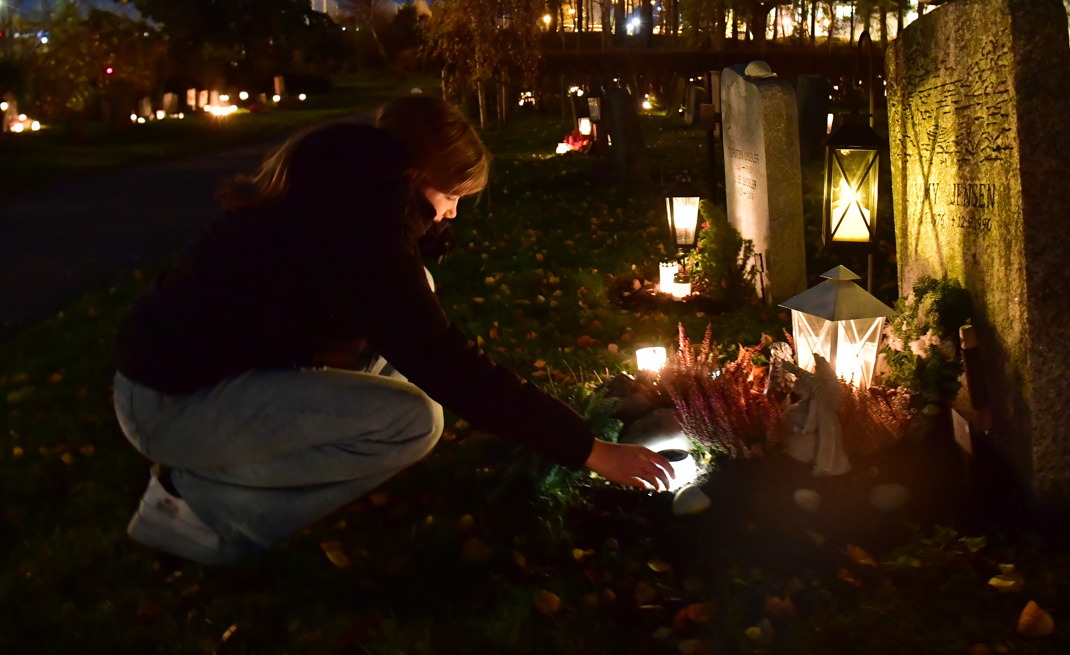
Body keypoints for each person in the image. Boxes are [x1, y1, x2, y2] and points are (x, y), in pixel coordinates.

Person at [112, 95, 673, 564]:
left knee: (417, 314)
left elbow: (409, 324)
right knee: (409, 421)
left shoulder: (344, 200)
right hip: (172, 403)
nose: (452, 215)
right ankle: (195, 509)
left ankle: (208, 478)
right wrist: (588, 449)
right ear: (417, 178)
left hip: (214, 380)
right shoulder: (356, 233)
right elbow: (446, 363)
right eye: (452, 198)